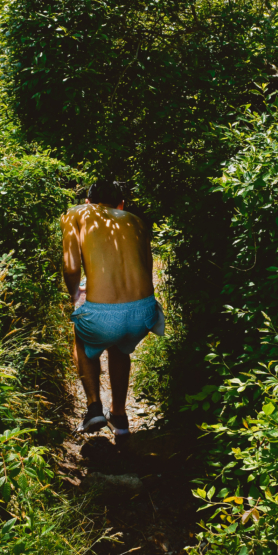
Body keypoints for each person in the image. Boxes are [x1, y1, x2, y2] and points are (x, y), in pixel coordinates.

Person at [60, 179, 164, 436]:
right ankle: (119, 416)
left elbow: (71, 267)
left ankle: (94, 407)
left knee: (82, 336)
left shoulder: (77, 214)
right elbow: (147, 267)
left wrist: (75, 295)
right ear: (121, 204)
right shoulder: (137, 221)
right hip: (144, 314)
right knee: (119, 348)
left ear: (88, 202)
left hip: (104, 318)